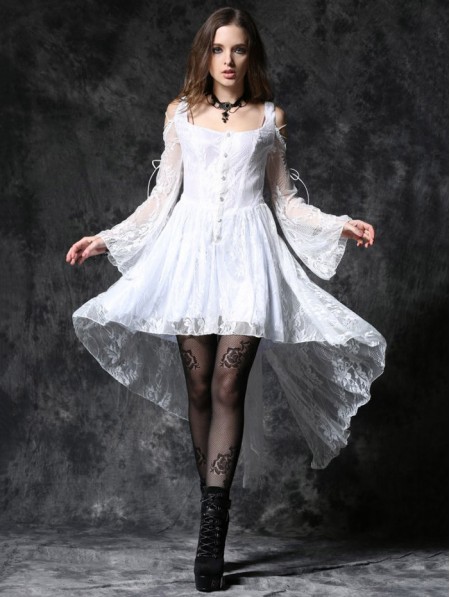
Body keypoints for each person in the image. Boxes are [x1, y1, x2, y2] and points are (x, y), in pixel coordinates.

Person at [66, 7, 386, 593]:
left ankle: (212, 530)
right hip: (190, 259)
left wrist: (339, 224)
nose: (229, 60)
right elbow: (162, 198)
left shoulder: (269, 118)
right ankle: (209, 506)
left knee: (226, 384)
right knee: (198, 386)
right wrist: (106, 239)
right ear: (205, 54)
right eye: (218, 49)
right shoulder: (180, 114)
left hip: (248, 260)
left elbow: (284, 202)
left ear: (250, 54)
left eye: (238, 49)